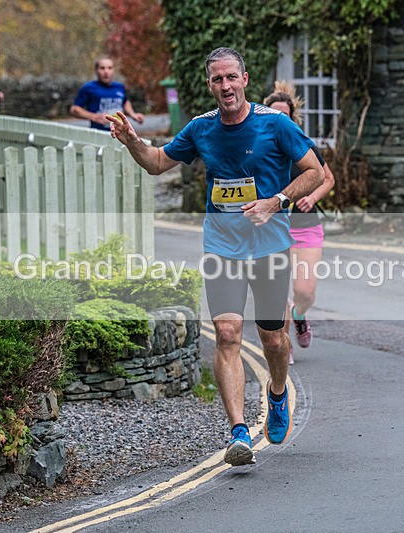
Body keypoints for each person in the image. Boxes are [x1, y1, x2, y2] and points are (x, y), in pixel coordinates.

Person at [106, 47, 324, 467]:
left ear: (245, 79)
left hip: (271, 247)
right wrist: (134, 142)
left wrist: (276, 201)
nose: (225, 86)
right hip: (222, 246)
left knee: (274, 339)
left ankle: (277, 393)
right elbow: (155, 163)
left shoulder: (274, 125)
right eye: (216, 80)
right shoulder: (200, 129)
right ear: (210, 85)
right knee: (227, 334)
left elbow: (313, 171)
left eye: (231, 78)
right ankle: (239, 432)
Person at [263, 82, 336, 365]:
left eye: (285, 114)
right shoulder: (257, 149)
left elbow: (327, 178)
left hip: (305, 226)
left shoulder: (303, 145)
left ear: (292, 118)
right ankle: (284, 347)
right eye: (274, 114)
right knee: (277, 291)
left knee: (304, 292)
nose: (280, 119)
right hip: (273, 229)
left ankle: (299, 314)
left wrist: (312, 196)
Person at [71, 56, 144, 131]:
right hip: (99, 134)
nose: (106, 71)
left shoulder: (119, 87)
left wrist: (133, 114)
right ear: (96, 70)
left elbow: (125, 101)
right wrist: (94, 117)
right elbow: (74, 109)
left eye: (110, 68)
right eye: (102, 68)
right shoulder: (89, 88)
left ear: (113, 70)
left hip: (120, 133)